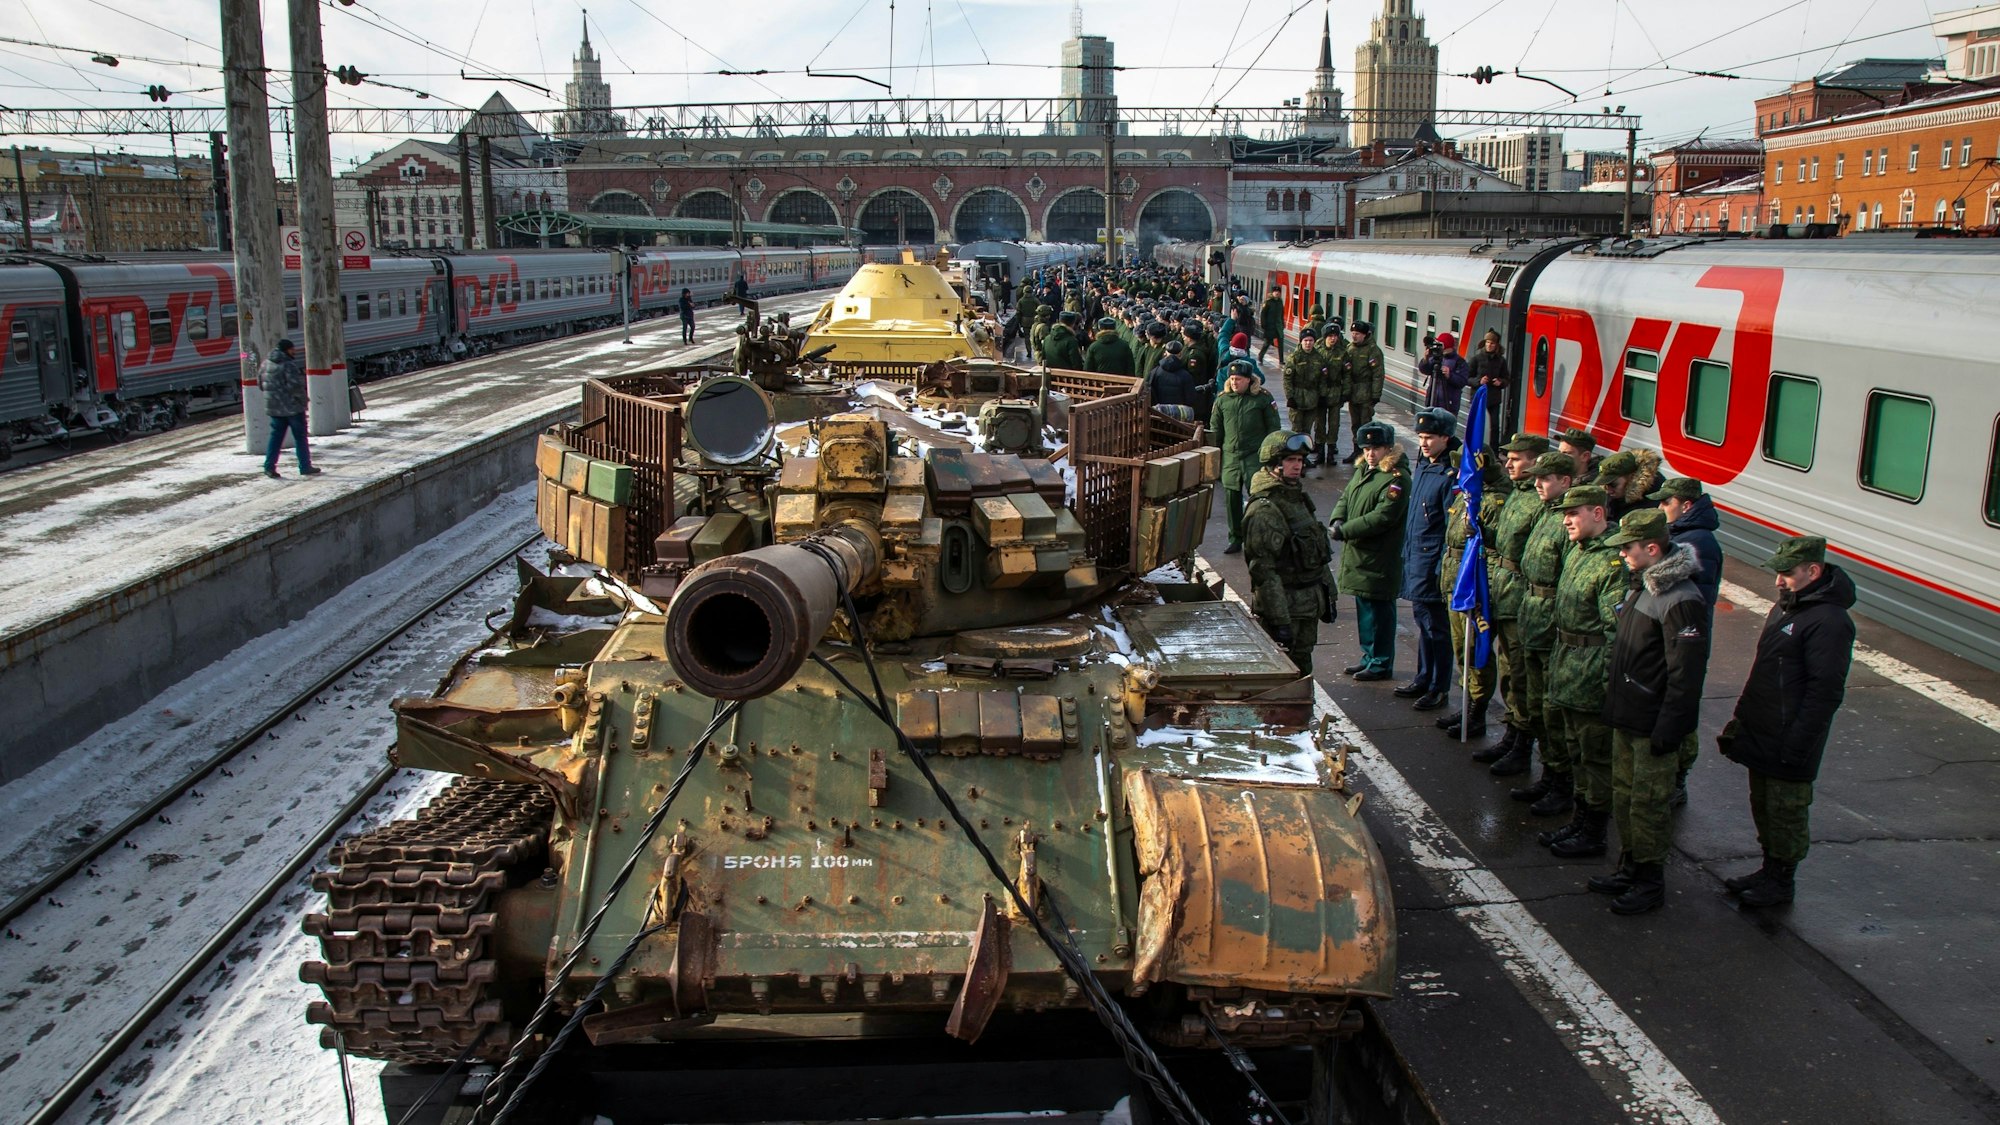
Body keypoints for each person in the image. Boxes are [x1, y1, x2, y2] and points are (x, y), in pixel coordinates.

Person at [1718, 536, 1856, 908]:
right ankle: (1769, 869)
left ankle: (1781, 881)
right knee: (1765, 806)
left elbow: (1824, 692)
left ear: (1813, 571)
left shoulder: (1829, 622)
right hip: (1764, 730)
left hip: (1789, 737)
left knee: (1786, 812)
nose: (1778, 581)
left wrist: (1799, 744)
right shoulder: (1788, 608)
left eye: (1786, 573)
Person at [1591, 509, 1711, 914]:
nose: (1622, 553)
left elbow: (1686, 675)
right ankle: (1630, 866)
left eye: (1628, 547)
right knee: (1625, 798)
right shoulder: (1647, 585)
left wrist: (1670, 729)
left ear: (1653, 548)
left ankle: (1649, 880)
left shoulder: (1680, 600)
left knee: (1648, 804)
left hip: (1651, 724)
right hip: (1629, 715)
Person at [1540, 484, 1626, 860]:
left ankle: (1594, 830)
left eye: (1574, 513)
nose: (1567, 520)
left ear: (1598, 513)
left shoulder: (1611, 562)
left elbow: (1614, 633)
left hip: (1590, 670)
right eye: (1564, 514)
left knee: (1595, 756)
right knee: (1575, 748)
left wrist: (1607, 683)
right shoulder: (1580, 550)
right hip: (1568, 661)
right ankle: (1579, 817)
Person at [1480, 432, 1554, 775]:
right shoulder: (1517, 494)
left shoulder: (1540, 503)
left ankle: (1524, 742)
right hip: (1504, 591)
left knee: (1523, 675)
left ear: (1537, 461)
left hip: (1523, 597)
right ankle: (1512, 732)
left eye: (1517, 458)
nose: (1508, 463)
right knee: (1509, 667)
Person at [1509, 452, 1578, 817]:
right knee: (1534, 700)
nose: (1537, 483)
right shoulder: (1546, 512)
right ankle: (1548, 775)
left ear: (1566, 481)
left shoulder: (1568, 520)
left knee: (1553, 712)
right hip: (1531, 616)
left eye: (1546, 478)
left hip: (1551, 624)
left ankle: (1561, 782)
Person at [1651, 475, 1723, 805]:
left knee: (1681, 705)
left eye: (1667, 502)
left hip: (1685, 638)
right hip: (1677, 634)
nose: (1661, 506)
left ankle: (1678, 775)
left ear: (1687, 505)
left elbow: (1691, 598)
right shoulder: (1686, 534)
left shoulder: (1698, 543)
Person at [1245, 430, 1338, 676]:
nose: (1297, 466)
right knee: (1282, 676)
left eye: (1299, 460)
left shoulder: (1296, 499)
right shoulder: (1266, 510)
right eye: (1290, 460)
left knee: (1303, 667)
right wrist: (1280, 621)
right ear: (1274, 465)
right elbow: (1263, 571)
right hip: (1287, 608)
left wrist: (1328, 594)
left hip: (1307, 606)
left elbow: (1317, 554)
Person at [1330, 421, 1409, 681]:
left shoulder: (1396, 479)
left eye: (1376, 448)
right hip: (1361, 554)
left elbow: (1382, 517)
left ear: (1388, 448)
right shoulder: (1365, 470)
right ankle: (1369, 656)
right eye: (1366, 449)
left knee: (1380, 614)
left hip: (1379, 556)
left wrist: (1346, 530)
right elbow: (1346, 497)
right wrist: (1337, 519)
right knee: (1365, 611)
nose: (1370, 454)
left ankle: (1381, 662)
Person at [1437, 446, 1507, 738]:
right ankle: (1467, 703)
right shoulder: (1467, 495)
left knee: (1476, 649)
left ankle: (1477, 709)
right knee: (1460, 648)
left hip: (1473, 584)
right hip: (1455, 580)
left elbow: (1488, 549)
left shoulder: (1491, 500)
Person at [1398, 409, 1458, 709]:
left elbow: (1451, 528)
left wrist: (1440, 568)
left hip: (1431, 562)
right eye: (1421, 437)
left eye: (1430, 438)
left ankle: (1439, 686)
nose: (1423, 443)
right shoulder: (1425, 464)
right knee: (1424, 623)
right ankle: (1424, 676)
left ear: (1445, 438)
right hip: (1415, 557)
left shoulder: (1450, 473)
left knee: (1437, 628)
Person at [1210, 358, 1281, 555]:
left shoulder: (1262, 399)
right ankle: (1235, 538)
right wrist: (1216, 455)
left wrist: (1271, 457)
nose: (1235, 382)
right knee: (1232, 499)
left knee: (1258, 498)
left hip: (1254, 456)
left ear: (1249, 380)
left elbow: (1273, 428)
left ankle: (1260, 537)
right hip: (1231, 456)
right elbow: (1216, 430)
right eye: (1232, 379)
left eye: (1239, 379)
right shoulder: (1223, 400)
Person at [260, 339, 319, 479]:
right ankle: (305, 466)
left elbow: (260, 384)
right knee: (300, 438)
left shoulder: (265, 364)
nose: (295, 351)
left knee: (275, 438)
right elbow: (296, 387)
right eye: (292, 349)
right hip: (293, 409)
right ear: (286, 350)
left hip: (275, 409)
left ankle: (269, 467)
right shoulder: (288, 365)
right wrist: (304, 401)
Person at [1342, 321, 1385, 454]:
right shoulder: (1350, 349)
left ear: (1365, 335)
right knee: (1355, 424)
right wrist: (1346, 391)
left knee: (1365, 424)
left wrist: (1375, 394)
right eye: (1353, 333)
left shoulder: (1373, 350)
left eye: (1357, 334)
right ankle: (1356, 450)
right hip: (1353, 392)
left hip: (1366, 393)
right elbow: (1346, 372)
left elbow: (1378, 374)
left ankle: (1365, 451)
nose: (1354, 336)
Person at [1281, 328, 1326, 452]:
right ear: (1301, 341)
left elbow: (1322, 379)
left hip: (1312, 399)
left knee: (1307, 431)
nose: (1308, 343)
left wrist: (1322, 396)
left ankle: (1304, 456)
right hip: (1297, 398)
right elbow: (1287, 379)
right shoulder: (1294, 357)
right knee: (1296, 429)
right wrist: (1290, 397)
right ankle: (1295, 453)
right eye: (1305, 340)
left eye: (1311, 340)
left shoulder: (1318, 357)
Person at [1417, 331, 1472, 419]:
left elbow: (1463, 381)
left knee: (1446, 430)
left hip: (1449, 405)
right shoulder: (1435, 357)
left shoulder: (1459, 362)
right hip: (1433, 401)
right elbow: (1424, 370)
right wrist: (1425, 359)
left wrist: (1450, 375)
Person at [1148, 340, 1196, 407]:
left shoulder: (1155, 372)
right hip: (1178, 415)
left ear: (1165, 353)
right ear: (1180, 355)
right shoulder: (1186, 375)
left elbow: (1150, 393)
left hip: (1158, 413)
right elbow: (1190, 399)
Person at [1258, 290, 1285, 364]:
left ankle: (1281, 360)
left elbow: (1282, 314)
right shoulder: (1268, 302)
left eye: (1278, 292)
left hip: (1278, 326)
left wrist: (1283, 323)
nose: (1277, 293)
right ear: (1272, 293)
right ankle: (1260, 356)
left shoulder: (1280, 302)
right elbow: (1263, 314)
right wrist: (1264, 325)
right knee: (1267, 343)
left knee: (1281, 343)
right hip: (1269, 326)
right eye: (1275, 292)